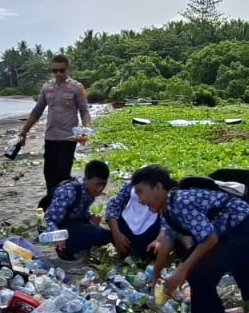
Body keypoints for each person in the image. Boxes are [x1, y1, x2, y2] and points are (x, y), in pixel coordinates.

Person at [136, 164, 249, 313]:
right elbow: (167, 240)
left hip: (244, 228)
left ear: (158, 187)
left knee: (198, 271)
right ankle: (247, 308)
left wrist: (183, 269)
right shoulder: (166, 209)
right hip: (227, 231)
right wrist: (156, 273)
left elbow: (209, 238)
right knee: (201, 265)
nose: (140, 200)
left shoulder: (181, 201)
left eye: (141, 192)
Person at [17, 54, 91, 208]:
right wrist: (24, 131)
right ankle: (52, 205)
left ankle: (65, 203)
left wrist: (85, 131)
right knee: (49, 174)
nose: (58, 74)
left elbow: (84, 111)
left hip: (68, 138)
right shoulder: (47, 87)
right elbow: (37, 110)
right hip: (50, 138)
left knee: (62, 174)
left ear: (67, 69)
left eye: (61, 70)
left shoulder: (77, 87)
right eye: (54, 71)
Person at [43, 159, 111, 259]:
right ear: (86, 178)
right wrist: (57, 236)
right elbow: (48, 219)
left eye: (103, 185)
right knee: (103, 235)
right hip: (60, 231)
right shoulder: (70, 191)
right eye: (97, 184)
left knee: (104, 235)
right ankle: (66, 250)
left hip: (73, 225)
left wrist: (90, 218)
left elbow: (78, 211)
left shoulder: (88, 191)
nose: (100, 189)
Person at [104, 176, 163, 260]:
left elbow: (166, 225)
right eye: (137, 192)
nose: (140, 200)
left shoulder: (158, 200)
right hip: (124, 235)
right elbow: (113, 208)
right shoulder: (129, 187)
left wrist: (158, 240)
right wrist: (116, 234)